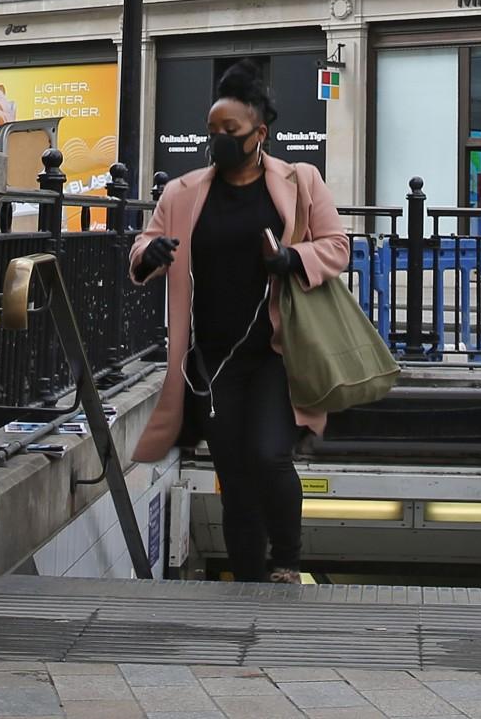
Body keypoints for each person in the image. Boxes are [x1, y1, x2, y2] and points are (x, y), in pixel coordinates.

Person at [127, 60, 351, 583]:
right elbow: (143, 244)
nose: (219, 140)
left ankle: (287, 563)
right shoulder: (182, 192)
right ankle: (248, 580)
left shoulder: (302, 182)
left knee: (269, 454)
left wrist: (292, 260)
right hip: (212, 359)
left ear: (259, 134)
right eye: (212, 132)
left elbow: (337, 246)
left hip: (277, 353)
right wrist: (149, 251)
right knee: (233, 472)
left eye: (231, 132)